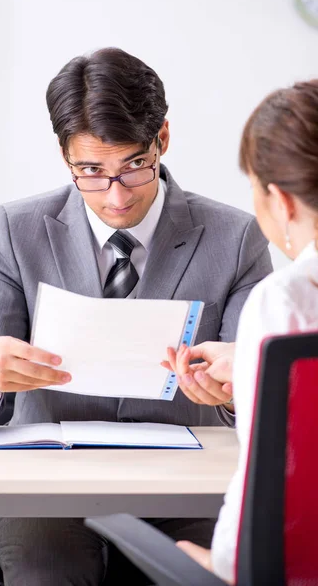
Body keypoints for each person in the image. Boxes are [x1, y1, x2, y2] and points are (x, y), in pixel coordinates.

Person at [0, 48, 272, 585]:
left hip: (184, 486)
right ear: (65, 156)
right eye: (90, 171)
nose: (115, 196)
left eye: (133, 167)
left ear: (161, 139)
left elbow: (261, 401)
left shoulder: (234, 238)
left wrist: (233, 387)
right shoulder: (16, 230)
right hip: (47, 490)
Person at [165, 79, 318, 584]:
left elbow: (270, 484)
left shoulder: (285, 301)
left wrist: (219, 564)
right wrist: (249, 361)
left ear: (281, 200)